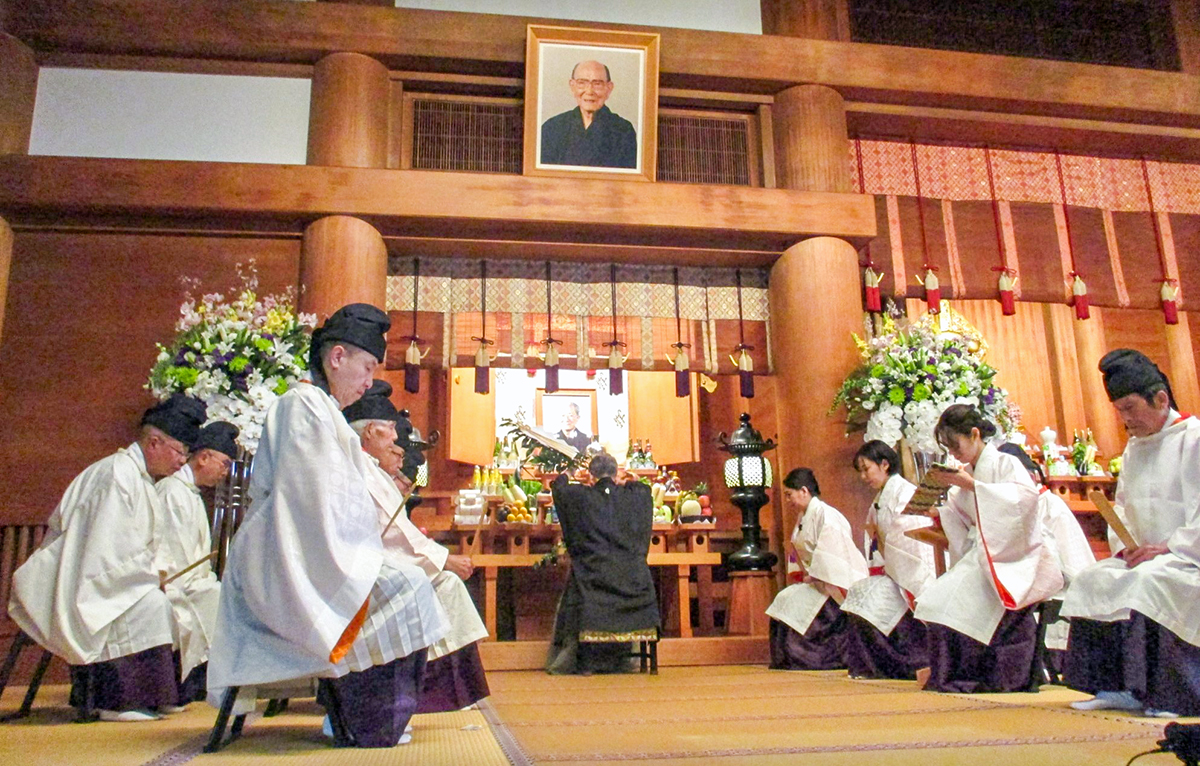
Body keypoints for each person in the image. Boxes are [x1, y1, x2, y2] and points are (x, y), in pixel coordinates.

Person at [206, 304, 446, 748]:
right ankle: (360, 719)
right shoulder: (303, 407)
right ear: (337, 357)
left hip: (307, 550)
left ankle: (363, 716)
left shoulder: (322, 409)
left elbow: (335, 500)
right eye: (367, 366)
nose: (370, 381)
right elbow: (312, 503)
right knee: (406, 584)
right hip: (284, 560)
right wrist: (367, 554)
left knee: (409, 581)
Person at [9, 394, 207, 721]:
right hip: (72, 582)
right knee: (151, 604)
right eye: (180, 452)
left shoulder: (141, 479)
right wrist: (151, 577)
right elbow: (105, 554)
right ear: (154, 442)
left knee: (171, 600)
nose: (181, 462)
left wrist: (160, 575)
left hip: (101, 575)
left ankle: (153, 695)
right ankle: (115, 700)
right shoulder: (118, 475)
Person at [1061, 349, 1200, 717]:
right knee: (1093, 578)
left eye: (1129, 408)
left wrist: (1167, 548)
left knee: (1150, 582)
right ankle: (1117, 686)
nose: (1124, 420)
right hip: (1147, 555)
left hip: (1187, 558)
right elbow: (1123, 507)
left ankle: (1174, 695)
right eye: (1119, 411)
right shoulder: (1136, 447)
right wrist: (1126, 547)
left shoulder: (1195, 439)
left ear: (1161, 399)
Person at [343, 379, 490, 714]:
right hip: (366, 569)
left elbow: (399, 532)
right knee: (443, 582)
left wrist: (441, 560)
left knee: (446, 582)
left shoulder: (371, 470)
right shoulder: (361, 470)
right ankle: (429, 691)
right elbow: (393, 533)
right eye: (391, 432)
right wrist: (444, 560)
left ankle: (447, 691)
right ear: (370, 434)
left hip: (379, 561)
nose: (397, 441)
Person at [914, 405, 1062, 693]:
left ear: (974, 434)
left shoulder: (1006, 463)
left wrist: (974, 486)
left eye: (955, 445)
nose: (953, 453)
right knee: (935, 600)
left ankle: (971, 677)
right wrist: (938, 511)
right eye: (948, 447)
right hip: (982, 555)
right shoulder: (967, 473)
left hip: (1013, 558)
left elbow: (1023, 502)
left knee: (950, 601)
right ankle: (955, 676)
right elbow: (961, 515)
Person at [547, 453, 659, 674]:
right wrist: (626, 480)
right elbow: (642, 487)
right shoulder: (637, 496)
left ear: (590, 475)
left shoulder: (579, 496)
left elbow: (559, 487)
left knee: (577, 582)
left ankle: (586, 661)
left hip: (593, 580)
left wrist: (569, 473)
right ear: (616, 472)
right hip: (634, 582)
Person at [153, 420, 239, 707]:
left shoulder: (189, 493)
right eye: (224, 464)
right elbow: (173, 558)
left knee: (219, 592)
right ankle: (203, 682)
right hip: (174, 585)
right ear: (204, 457)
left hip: (194, 582)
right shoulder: (172, 492)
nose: (225, 473)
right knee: (214, 595)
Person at [996, 442, 1095, 678]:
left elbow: (1074, 562)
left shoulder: (1051, 505)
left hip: (1054, 585)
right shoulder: (1007, 509)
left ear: (1031, 476)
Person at [840, 441, 935, 679]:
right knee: (860, 593)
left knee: (870, 598)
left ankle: (899, 664)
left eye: (866, 469)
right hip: (893, 570)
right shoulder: (879, 499)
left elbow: (912, 537)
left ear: (885, 464)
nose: (863, 476)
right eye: (860, 471)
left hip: (909, 572)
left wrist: (889, 558)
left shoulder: (905, 492)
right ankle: (874, 666)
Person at [766, 468, 869, 670]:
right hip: (816, 580)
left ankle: (810, 657)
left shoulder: (828, 516)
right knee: (785, 599)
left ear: (804, 491)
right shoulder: (803, 517)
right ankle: (787, 657)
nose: (788, 500)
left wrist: (816, 576)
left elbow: (833, 554)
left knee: (796, 602)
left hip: (833, 583)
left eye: (789, 495)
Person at [540, 60, 637, 169]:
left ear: (609, 88)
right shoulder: (552, 127)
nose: (589, 91)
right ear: (572, 86)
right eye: (582, 83)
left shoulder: (623, 130)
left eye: (597, 84)